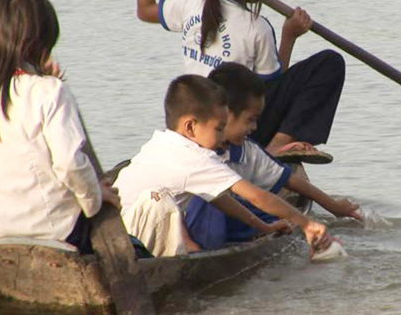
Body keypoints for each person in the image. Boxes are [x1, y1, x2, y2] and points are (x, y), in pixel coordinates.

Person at [113, 74, 330, 256]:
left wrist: (263, 227)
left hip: (120, 228)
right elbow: (257, 196)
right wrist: (307, 224)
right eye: (218, 129)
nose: (221, 138)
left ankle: (191, 250)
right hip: (130, 239)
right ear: (190, 127)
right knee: (158, 198)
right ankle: (189, 254)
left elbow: (222, 200)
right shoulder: (195, 157)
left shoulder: (161, 140)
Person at [136, 0, 345, 158]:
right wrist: (289, 35)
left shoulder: (189, 3)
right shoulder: (257, 27)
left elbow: (145, 10)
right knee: (330, 63)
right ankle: (278, 145)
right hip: (236, 126)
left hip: (199, 116)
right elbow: (269, 87)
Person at [0, 0, 121, 254]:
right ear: (40, 42)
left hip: (4, 230)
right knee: (129, 243)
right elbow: (69, 163)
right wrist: (95, 199)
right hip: (55, 230)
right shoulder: (49, 91)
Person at [191, 62, 361, 244]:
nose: (254, 127)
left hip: (232, 223)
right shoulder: (192, 151)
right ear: (225, 114)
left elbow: (290, 180)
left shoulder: (248, 151)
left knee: (272, 213)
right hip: (201, 227)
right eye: (250, 120)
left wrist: (334, 207)